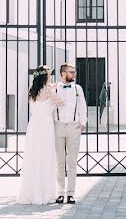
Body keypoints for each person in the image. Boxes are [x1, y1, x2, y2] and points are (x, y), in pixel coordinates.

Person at [17, 65, 63, 205]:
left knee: (34, 157)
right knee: (46, 157)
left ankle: (32, 193)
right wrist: (55, 88)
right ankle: (45, 193)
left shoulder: (32, 90)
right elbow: (60, 102)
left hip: (34, 125)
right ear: (46, 76)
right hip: (45, 126)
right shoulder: (49, 89)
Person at [54, 63, 87, 204]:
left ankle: (71, 193)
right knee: (60, 162)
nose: (74, 74)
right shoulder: (54, 88)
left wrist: (82, 124)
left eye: (74, 72)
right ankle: (60, 193)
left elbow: (82, 106)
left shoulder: (77, 89)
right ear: (63, 73)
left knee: (72, 163)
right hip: (58, 127)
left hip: (74, 128)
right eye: (71, 72)